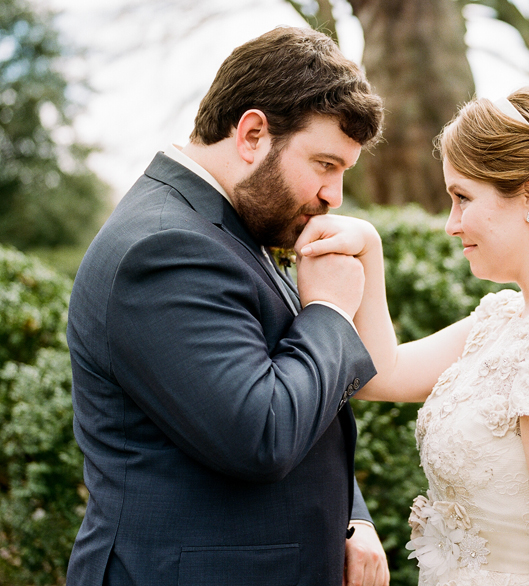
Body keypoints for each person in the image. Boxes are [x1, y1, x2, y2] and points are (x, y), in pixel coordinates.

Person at [66, 26, 390, 586]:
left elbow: (291, 386)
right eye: (325, 164)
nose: (334, 196)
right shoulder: (164, 247)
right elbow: (260, 432)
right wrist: (331, 312)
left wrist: (350, 517)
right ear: (252, 134)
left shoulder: (233, 228)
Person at [296, 80, 529, 586]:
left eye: (462, 198)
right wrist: (369, 251)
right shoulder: (507, 318)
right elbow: (380, 374)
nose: (451, 224)